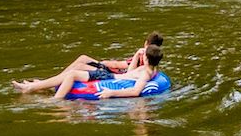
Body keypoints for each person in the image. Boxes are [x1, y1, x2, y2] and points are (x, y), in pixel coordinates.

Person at [14, 34, 162, 99]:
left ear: (146, 58)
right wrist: (136, 56)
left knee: (72, 74)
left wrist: (111, 92)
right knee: (73, 72)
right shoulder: (149, 69)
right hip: (111, 76)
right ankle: (34, 87)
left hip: (109, 78)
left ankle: (53, 100)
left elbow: (135, 91)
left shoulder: (145, 73)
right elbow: (130, 73)